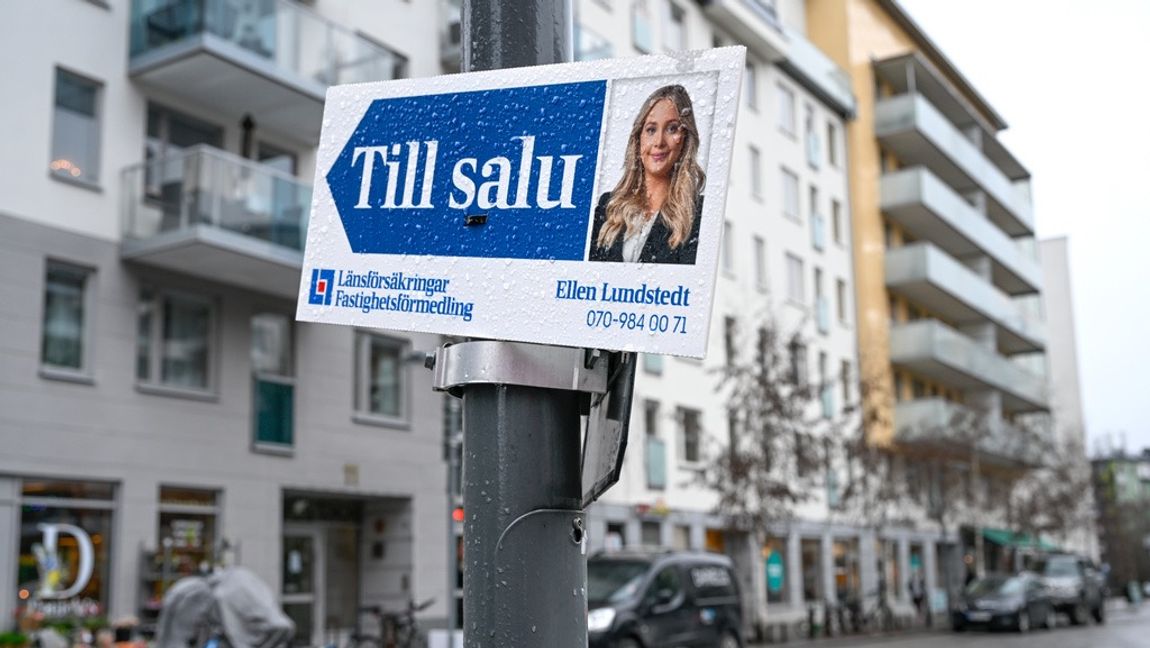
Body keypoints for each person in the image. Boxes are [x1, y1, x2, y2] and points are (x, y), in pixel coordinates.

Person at [589, 84, 705, 264]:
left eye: (672, 129)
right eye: (651, 129)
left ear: (685, 140)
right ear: (639, 138)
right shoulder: (609, 206)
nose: (659, 142)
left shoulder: (699, 213)